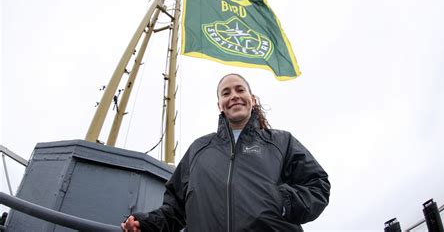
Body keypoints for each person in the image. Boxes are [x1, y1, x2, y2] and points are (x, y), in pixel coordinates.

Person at [121, 73, 330, 232]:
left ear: (252, 98)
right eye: (226, 93)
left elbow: (318, 186)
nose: (234, 96)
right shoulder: (198, 149)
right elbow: (175, 210)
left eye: (240, 90)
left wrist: (282, 202)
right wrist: (146, 223)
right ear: (220, 105)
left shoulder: (281, 142)